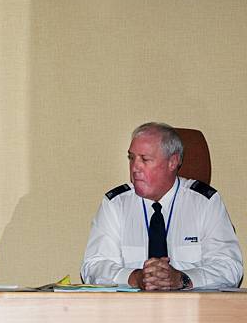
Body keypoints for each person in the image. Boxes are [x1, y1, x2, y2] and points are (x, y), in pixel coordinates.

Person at [82, 122, 243, 290]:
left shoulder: (205, 203)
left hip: (191, 311)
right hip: (131, 311)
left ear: (172, 162)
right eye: (131, 158)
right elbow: (93, 267)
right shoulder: (116, 204)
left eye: (145, 159)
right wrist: (134, 277)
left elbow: (229, 267)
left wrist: (182, 279)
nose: (135, 167)